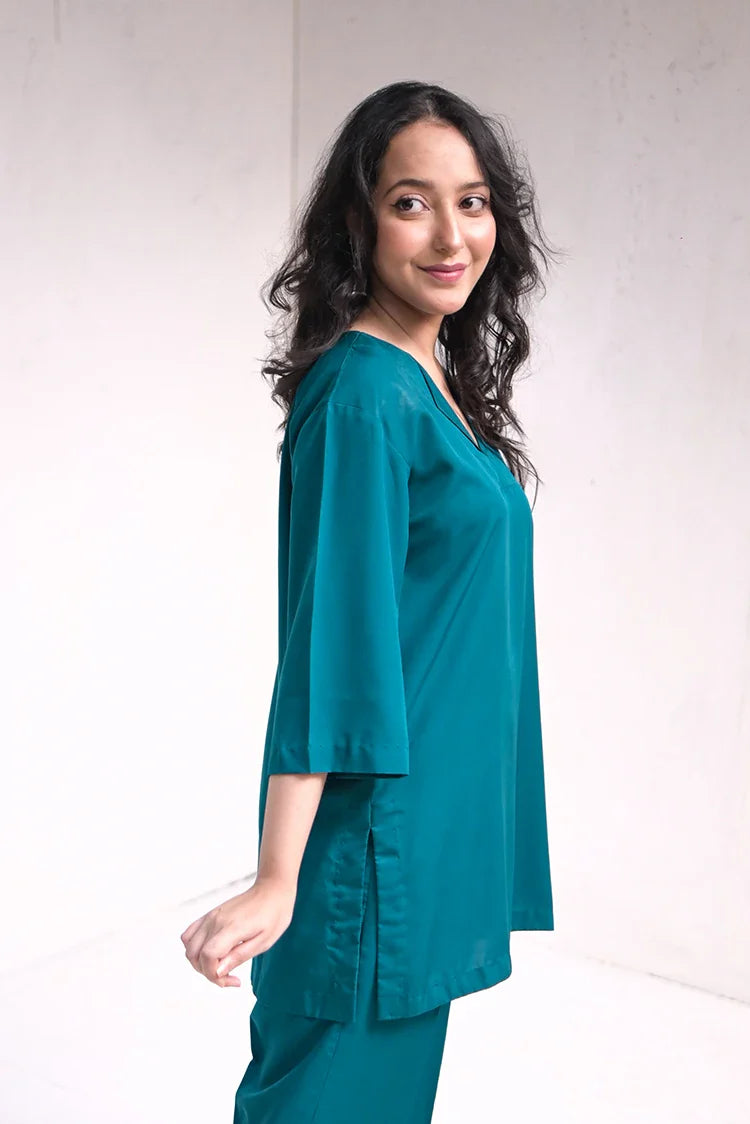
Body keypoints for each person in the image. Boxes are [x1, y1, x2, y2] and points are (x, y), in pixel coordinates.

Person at [180, 79, 560, 1122]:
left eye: (472, 202)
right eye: (410, 202)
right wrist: (277, 875)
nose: (450, 234)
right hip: (372, 859)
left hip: (424, 840)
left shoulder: (427, 380)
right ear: (360, 220)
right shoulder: (363, 397)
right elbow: (336, 649)